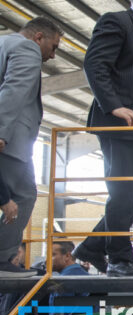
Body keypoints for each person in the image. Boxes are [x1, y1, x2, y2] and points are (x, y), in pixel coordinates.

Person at [73, 0, 133, 277]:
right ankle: (119, 259)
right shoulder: (116, 21)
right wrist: (114, 105)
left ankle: (92, 247)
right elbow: (95, 64)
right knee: (123, 192)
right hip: (121, 123)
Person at [0, 17, 62, 278]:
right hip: (11, 141)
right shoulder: (27, 48)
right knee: (24, 194)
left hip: (14, 142)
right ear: (38, 38)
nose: (53, 55)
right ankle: (2, 258)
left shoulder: (4, 42)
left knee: (24, 193)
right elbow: (14, 90)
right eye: (53, 46)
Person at [49, 241, 89, 309]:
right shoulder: (83, 274)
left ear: (67, 256)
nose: (47, 259)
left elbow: (60, 312)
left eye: (53, 255)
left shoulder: (63, 280)